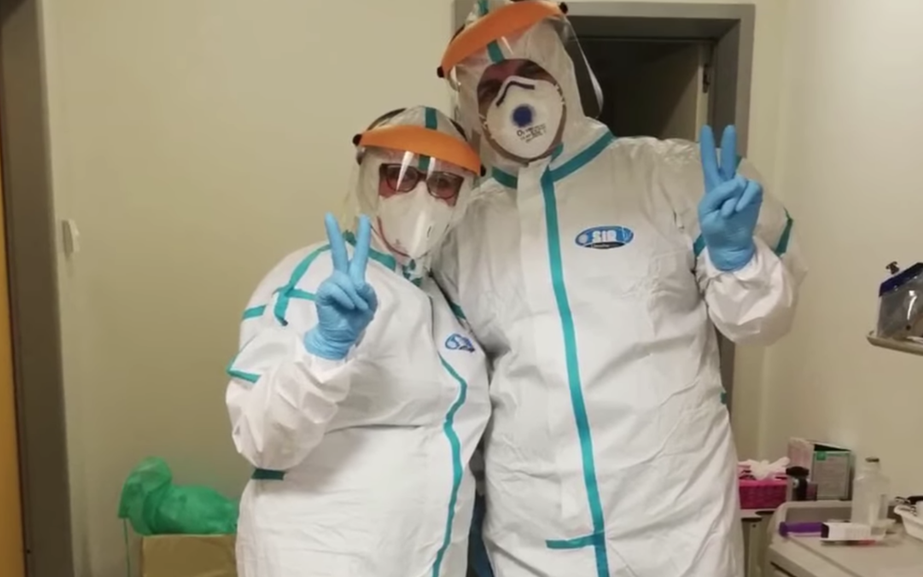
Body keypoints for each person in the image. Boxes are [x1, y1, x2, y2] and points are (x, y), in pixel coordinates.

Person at [433, 2, 807, 576]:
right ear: (471, 108)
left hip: (679, 529)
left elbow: (760, 323)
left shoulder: (671, 177)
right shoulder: (465, 230)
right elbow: (458, 384)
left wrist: (737, 257)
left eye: (529, 72)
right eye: (490, 88)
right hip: (534, 537)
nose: (514, 98)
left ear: (564, 71)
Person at [225, 105, 491, 577]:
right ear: (369, 179)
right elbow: (262, 439)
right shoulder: (316, 277)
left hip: (425, 558)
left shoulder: (443, 301)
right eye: (400, 176)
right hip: (322, 555)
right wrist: (323, 350)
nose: (422, 195)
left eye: (443, 182)